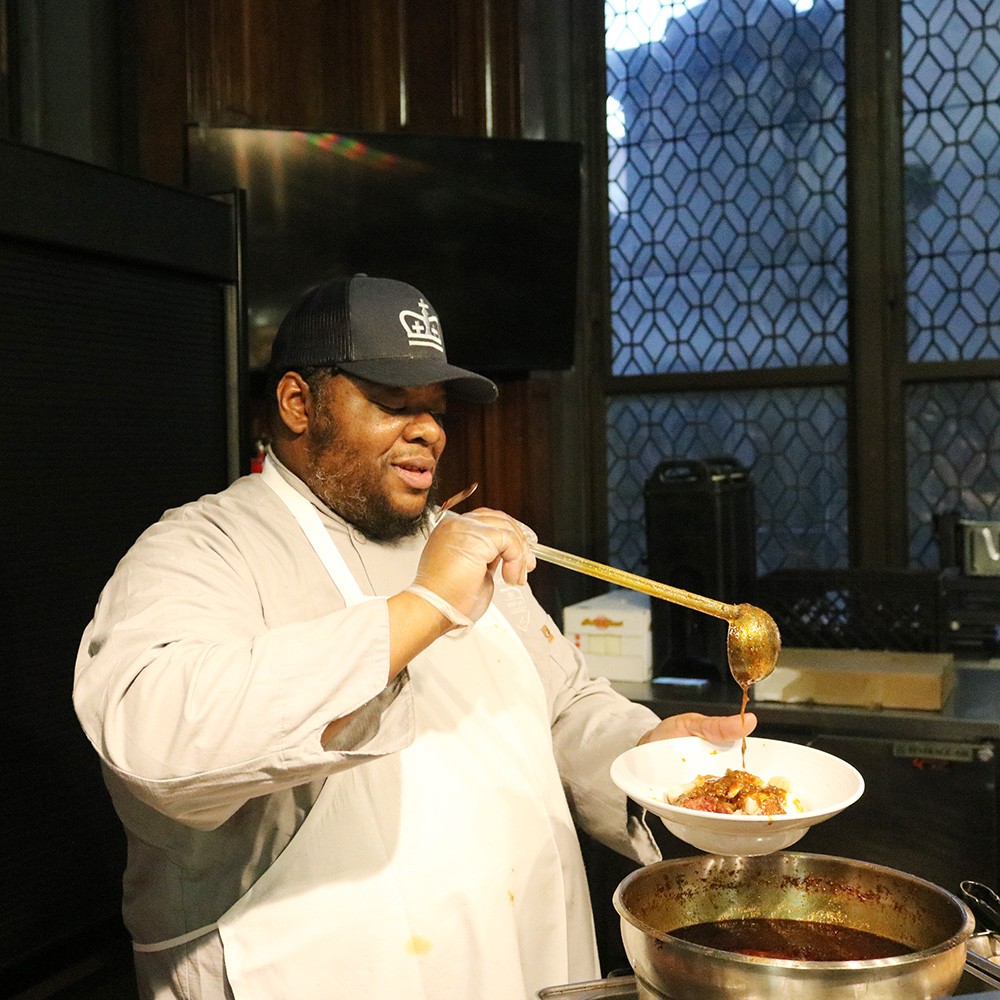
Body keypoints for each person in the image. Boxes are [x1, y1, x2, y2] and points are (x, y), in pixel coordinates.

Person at [73, 274, 756, 1000]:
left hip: (525, 961)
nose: (428, 429)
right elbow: (155, 739)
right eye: (393, 403)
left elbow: (562, 709)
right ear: (299, 403)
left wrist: (645, 756)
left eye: (434, 410)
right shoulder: (205, 547)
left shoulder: (465, 544)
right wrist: (425, 604)